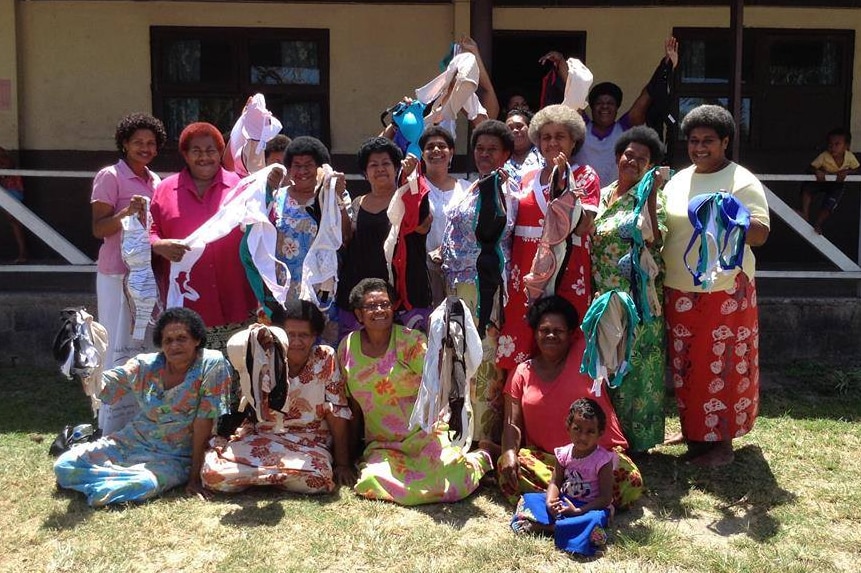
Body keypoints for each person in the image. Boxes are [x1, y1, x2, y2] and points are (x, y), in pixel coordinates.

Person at [661, 104, 770, 467]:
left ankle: (721, 445)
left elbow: (761, 234)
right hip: (679, 289)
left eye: (709, 140)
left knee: (721, 365)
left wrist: (731, 215)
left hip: (724, 292)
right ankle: (694, 430)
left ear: (725, 141)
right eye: (693, 140)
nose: (700, 147)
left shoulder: (741, 180)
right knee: (687, 364)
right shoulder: (679, 179)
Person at [54, 308, 231, 507]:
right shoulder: (144, 365)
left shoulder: (212, 364)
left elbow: (204, 422)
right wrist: (87, 364)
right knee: (64, 464)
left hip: (176, 456)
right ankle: (107, 483)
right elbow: (105, 389)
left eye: (182, 338)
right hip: (132, 442)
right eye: (168, 340)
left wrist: (194, 477)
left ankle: (104, 483)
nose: (175, 345)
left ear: (197, 340)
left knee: (143, 484)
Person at [338, 278, 491, 506]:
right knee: (371, 481)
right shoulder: (347, 347)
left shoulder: (411, 342)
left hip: (424, 435)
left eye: (385, 304)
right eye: (371, 306)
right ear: (359, 314)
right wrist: (345, 460)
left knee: (452, 482)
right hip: (383, 445)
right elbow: (350, 406)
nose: (379, 310)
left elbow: (440, 382)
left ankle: (482, 457)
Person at [495, 296, 640, 507]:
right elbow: (512, 424)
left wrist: (606, 302)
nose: (551, 335)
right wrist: (508, 452)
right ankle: (587, 499)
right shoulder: (521, 373)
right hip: (550, 462)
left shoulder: (588, 355)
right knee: (510, 467)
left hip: (600, 459)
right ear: (535, 334)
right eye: (544, 330)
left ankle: (564, 497)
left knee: (630, 480)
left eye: (559, 331)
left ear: (571, 334)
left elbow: (614, 322)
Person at [201, 300, 354, 493]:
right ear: (280, 335)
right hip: (263, 436)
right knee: (212, 476)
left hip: (309, 442)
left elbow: (337, 412)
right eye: (291, 335)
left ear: (315, 336)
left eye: (304, 335)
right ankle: (279, 477)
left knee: (319, 477)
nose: (297, 342)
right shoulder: (263, 356)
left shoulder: (325, 357)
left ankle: (257, 477)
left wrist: (342, 463)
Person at [497, 104, 599, 375]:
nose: (552, 142)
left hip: (567, 268)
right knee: (523, 335)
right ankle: (519, 407)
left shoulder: (585, 176)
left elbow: (582, 227)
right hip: (525, 271)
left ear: (573, 140)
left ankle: (566, 406)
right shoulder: (527, 177)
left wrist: (566, 186)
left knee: (564, 335)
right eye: (546, 137)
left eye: (560, 136)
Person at [149, 122, 259, 352]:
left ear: (220, 153)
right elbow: (149, 231)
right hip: (187, 298)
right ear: (185, 155)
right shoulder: (165, 190)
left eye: (211, 151)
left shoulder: (240, 188)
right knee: (189, 375)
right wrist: (159, 245)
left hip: (234, 295)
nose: (204, 157)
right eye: (196, 151)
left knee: (238, 371)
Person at [441, 119, 519, 442]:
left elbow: (503, 227)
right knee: (460, 356)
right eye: (479, 148)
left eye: (492, 149)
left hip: (484, 286)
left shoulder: (507, 187)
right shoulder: (475, 184)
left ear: (506, 153)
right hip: (458, 285)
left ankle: (484, 437)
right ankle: (462, 430)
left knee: (483, 358)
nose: (484, 154)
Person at [592, 126, 668, 452]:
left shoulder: (653, 199)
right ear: (617, 156)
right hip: (601, 296)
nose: (632, 161)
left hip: (637, 299)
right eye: (628, 154)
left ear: (650, 166)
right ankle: (608, 439)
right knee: (605, 369)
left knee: (635, 369)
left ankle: (636, 445)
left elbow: (653, 237)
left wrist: (650, 197)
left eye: (642, 159)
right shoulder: (603, 192)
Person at [90, 113, 167, 433]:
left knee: (144, 346)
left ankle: (141, 419)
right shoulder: (110, 176)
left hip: (147, 276)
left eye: (151, 143)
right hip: (116, 276)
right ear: (124, 143)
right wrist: (126, 213)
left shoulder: (156, 182)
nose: (145, 148)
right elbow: (98, 228)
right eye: (138, 143)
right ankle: (111, 422)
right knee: (116, 347)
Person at [541, 37, 679, 186]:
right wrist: (561, 61)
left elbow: (646, 95)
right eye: (600, 103)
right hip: (583, 200)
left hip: (615, 201)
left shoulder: (625, 127)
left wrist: (666, 64)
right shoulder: (582, 126)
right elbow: (574, 91)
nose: (605, 107)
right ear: (591, 107)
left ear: (617, 108)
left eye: (610, 103)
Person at [337, 137, 430, 336]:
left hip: (404, 293)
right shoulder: (356, 203)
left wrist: (413, 178)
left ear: (397, 168)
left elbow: (422, 225)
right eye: (373, 165)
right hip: (363, 294)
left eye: (386, 163)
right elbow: (345, 238)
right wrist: (337, 197)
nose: (380, 168)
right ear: (365, 172)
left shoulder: (407, 199)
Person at [510, 398, 617, 557]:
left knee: (595, 518)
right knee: (529, 499)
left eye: (590, 432)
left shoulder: (602, 460)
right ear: (568, 428)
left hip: (589, 506)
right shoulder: (564, 454)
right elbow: (555, 481)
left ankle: (549, 528)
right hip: (565, 501)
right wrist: (550, 502)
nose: (582, 436)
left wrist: (578, 511)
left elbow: (605, 498)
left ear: (600, 433)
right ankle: (567, 527)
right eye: (577, 429)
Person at [272, 136, 350, 342]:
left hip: (323, 290)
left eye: (309, 165)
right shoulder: (276, 198)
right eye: (297, 165)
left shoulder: (332, 194)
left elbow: (346, 237)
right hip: (285, 291)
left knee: (323, 351)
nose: (303, 171)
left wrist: (338, 198)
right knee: (289, 347)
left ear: (321, 168)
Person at [410, 125, 470, 306]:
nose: (436, 150)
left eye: (442, 146)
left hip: (460, 271)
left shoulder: (467, 188)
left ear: (451, 152)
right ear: (422, 154)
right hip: (425, 270)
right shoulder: (415, 187)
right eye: (429, 147)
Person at [799, 127, 859, 233]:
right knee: (807, 189)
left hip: (837, 184)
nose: (833, 147)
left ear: (846, 146)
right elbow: (810, 167)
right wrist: (817, 171)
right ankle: (805, 213)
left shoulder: (849, 157)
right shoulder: (824, 156)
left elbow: (857, 169)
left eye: (837, 144)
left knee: (829, 206)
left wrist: (847, 172)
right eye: (830, 144)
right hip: (822, 181)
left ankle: (818, 224)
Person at [0, 146, 28, 264]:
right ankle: (23, 253)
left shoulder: (6, 160)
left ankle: (23, 253)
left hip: (12, 192)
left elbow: (6, 171)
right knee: (15, 223)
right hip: (8, 191)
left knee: (15, 222)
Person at [504, 109, 544, 185]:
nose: (515, 131)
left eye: (519, 126)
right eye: (510, 128)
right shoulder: (500, 160)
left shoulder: (544, 153)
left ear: (530, 129)